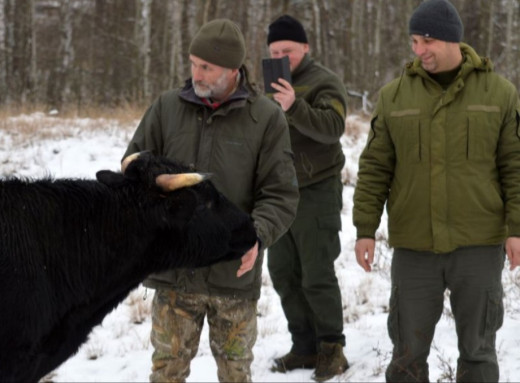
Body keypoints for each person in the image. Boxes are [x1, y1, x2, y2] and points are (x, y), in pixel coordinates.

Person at [123, 19, 299, 383]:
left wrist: (258, 235)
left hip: (232, 274)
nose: (196, 74)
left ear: (233, 70)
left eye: (207, 67)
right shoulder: (167, 107)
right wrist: (148, 178)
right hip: (175, 272)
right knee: (166, 373)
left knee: (235, 374)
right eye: (193, 63)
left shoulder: (264, 117)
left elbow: (280, 194)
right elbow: (132, 163)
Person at [353, 0, 520, 382]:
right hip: (415, 247)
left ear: (451, 41)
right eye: (414, 41)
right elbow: (375, 168)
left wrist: (516, 227)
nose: (418, 50)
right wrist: (365, 228)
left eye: (426, 40)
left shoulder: (499, 93)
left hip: (479, 244)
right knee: (406, 355)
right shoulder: (394, 97)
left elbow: (514, 165)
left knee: (478, 352)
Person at [265, 14, 349, 382]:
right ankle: (304, 345)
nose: (283, 55)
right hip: (277, 194)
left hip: (317, 189)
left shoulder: (324, 82)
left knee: (316, 273)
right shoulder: (266, 84)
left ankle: (332, 349)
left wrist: (293, 105)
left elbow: (333, 129)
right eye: (275, 50)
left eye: (288, 49)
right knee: (284, 272)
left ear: (305, 48)